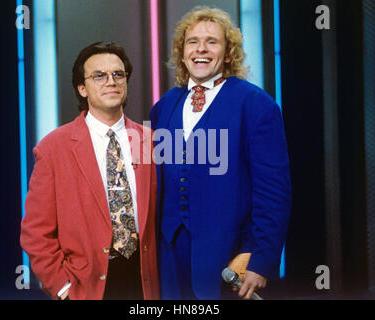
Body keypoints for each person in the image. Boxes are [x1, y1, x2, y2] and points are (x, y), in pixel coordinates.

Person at [150, 6, 292, 300]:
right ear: (182, 52)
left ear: (228, 54)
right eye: (193, 42)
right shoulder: (164, 106)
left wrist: (260, 259)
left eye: (212, 42)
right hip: (168, 256)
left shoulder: (256, 105)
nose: (201, 49)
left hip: (228, 256)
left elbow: (274, 192)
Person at [21, 42, 159, 300]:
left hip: (145, 281)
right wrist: (63, 289)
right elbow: (35, 233)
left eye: (118, 74)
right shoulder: (53, 148)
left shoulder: (149, 141)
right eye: (99, 75)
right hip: (88, 286)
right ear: (81, 88)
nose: (111, 81)